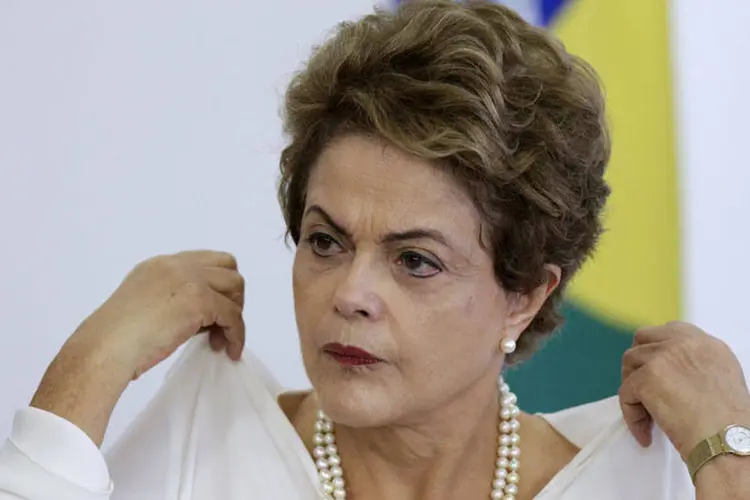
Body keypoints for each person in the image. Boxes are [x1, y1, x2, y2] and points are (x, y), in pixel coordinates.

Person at [1, 1, 749, 498]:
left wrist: (732, 461)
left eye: (414, 259)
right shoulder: (213, 437)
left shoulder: (637, 476)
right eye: (325, 240)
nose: (349, 292)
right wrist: (90, 367)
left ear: (526, 293)